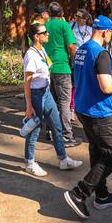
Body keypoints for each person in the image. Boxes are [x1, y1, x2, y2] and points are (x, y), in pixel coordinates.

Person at [64, 16, 112, 219]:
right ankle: (79, 193)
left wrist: (111, 69)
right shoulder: (101, 53)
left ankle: (101, 195)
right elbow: (107, 87)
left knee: (97, 153)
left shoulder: (82, 49)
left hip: (84, 109)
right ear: (105, 32)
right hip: (100, 112)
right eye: (111, 33)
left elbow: (89, 74)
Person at [23, 22, 83, 177]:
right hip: (36, 94)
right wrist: (29, 106)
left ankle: (63, 159)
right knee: (35, 129)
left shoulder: (41, 50)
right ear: (37, 37)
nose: (47, 34)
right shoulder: (31, 55)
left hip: (46, 92)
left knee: (56, 125)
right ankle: (29, 163)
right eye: (44, 33)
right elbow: (27, 83)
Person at [45, 1, 82, 147]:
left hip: (47, 68)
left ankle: (50, 131)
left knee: (51, 101)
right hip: (62, 67)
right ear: (61, 13)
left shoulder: (45, 26)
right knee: (64, 102)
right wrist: (73, 62)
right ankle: (67, 135)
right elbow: (71, 47)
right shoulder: (64, 25)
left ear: (49, 13)